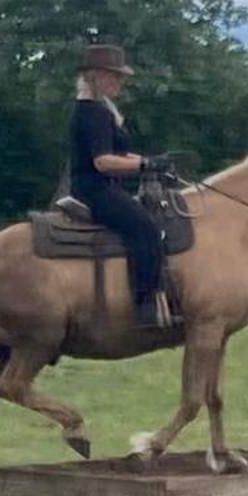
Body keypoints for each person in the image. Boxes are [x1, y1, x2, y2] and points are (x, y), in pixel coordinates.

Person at [67, 41, 166, 327]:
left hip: (102, 187)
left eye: (120, 76)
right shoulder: (92, 112)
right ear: (95, 76)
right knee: (146, 228)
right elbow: (103, 162)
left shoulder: (100, 110)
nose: (120, 81)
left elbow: (119, 155)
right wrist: (145, 165)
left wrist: (151, 161)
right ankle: (144, 305)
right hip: (94, 190)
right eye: (114, 75)